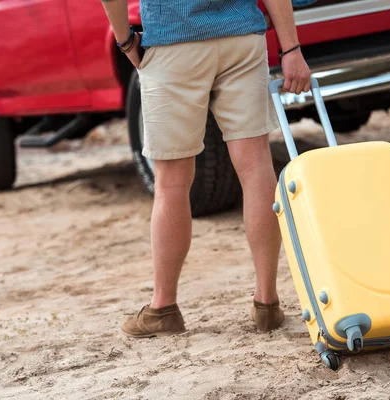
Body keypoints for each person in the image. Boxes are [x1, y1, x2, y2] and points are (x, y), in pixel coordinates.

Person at [101, 0, 311, 337]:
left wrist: (126, 41)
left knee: (172, 183)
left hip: (172, 44)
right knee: (257, 166)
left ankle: (163, 308)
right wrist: (291, 48)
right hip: (241, 38)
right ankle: (267, 303)